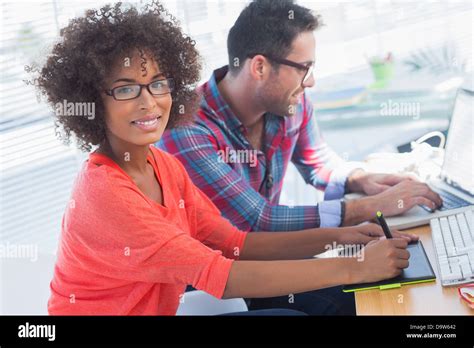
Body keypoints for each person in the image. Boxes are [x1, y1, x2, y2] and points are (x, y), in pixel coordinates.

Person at [35, 1, 416, 316]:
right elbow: (222, 275)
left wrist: (345, 238)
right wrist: (356, 263)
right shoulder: (106, 192)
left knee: (338, 302)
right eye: (125, 89)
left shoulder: (161, 165)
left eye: (158, 83)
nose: (148, 101)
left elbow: (235, 242)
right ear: (92, 101)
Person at [157, 0, 441, 314]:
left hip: (274, 257)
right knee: (354, 299)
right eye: (303, 67)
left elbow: (317, 162)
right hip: (219, 286)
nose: (311, 81)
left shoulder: (289, 102)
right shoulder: (187, 128)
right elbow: (257, 221)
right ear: (260, 67)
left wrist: (361, 179)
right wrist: (366, 209)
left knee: (389, 284)